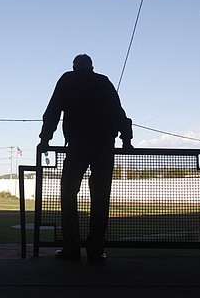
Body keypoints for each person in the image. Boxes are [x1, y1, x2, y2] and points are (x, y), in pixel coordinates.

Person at [38, 54, 133, 263]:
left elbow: (53, 110)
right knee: (100, 196)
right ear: (91, 67)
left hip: (78, 144)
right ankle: (95, 249)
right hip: (104, 145)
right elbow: (119, 112)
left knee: (68, 193)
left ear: (74, 67)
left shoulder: (67, 80)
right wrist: (126, 139)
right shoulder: (103, 82)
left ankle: (72, 247)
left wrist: (45, 138)